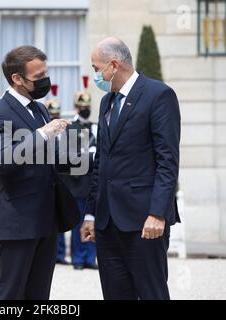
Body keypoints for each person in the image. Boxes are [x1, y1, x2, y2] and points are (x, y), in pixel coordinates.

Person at [80, 37, 181, 300]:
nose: (95, 75)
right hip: (107, 223)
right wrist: (91, 214)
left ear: (113, 65)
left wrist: (158, 213)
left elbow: (167, 161)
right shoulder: (106, 102)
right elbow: (101, 161)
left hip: (144, 220)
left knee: (151, 294)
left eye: (95, 68)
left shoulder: (159, 95)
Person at [0, 45, 70, 300]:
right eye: (38, 77)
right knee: (10, 295)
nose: (45, 81)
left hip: (45, 217)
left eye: (46, 73)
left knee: (39, 295)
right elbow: (3, 160)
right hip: (17, 222)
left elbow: (46, 160)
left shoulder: (39, 108)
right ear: (17, 79)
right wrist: (44, 133)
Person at [61, 76, 98, 270]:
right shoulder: (70, 128)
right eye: (82, 105)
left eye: (88, 105)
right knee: (77, 223)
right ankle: (78, 258)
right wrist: (87, 154)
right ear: (76, 107)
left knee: (92, 220)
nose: (85, 108)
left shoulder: (96, 127)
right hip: (76, 182)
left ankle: (90, 257)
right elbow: (68, 156)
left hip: (92, 182)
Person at [45, 84, 69, 266]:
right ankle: (53, 254)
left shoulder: (68, 130)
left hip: (65, 180)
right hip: (47, 180)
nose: (55, 116)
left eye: (57, 112)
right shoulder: (42, 131)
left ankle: (61, 253)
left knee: (63, 217)